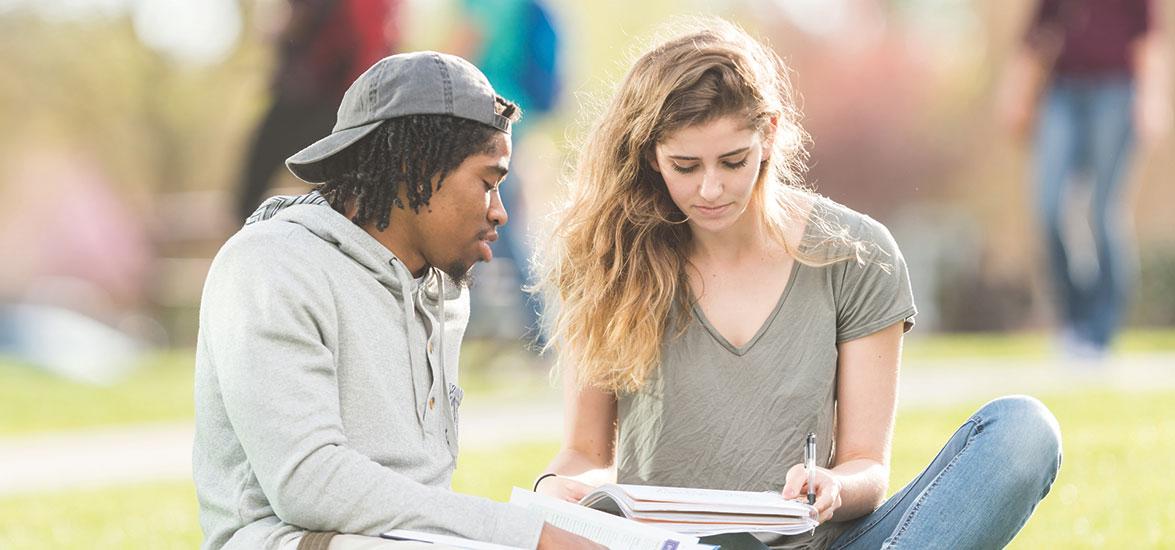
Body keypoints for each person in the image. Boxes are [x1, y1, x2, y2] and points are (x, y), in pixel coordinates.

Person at [533, 19, 1063, 550]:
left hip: (821, 544)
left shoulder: (857, 255)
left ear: (767, 133)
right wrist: (555, 490)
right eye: (685, 166)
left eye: (733, 161)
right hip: (668, 546)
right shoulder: (612, 259)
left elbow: (865, 465)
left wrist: (834, 485)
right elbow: (585, 454)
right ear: (651, 154)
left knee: (1023, 431)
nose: (711, 188)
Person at [193, 52, 600, 550]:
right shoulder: (271, 265)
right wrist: (524, 535)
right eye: (489, 182)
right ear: (415, 167)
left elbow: (419, 501)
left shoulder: (442, 290)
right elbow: (311, 484)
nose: (500, 212)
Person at [998, 0, 1169, 359]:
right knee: (1047, 206)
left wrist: (1153, 100)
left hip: (1117, 91)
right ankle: (1073, 322)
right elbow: (1036, 34)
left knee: (1102, 211)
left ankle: (1099, 332)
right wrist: (1016, 94)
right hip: (1063, 92)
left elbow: (1148, 37)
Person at [450, 0, 563, 346]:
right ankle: (519, 330)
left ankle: (539, 334)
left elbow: (463, 49)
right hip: (510, 115)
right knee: (495, 224)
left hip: (483, 120)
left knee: (494, 223)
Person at [234, 0, 403, 222]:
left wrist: (277, 31)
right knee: (338, 196)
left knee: (252, 188)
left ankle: (258, 245)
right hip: (355, 103)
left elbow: (297, 23)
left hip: (307, 96)